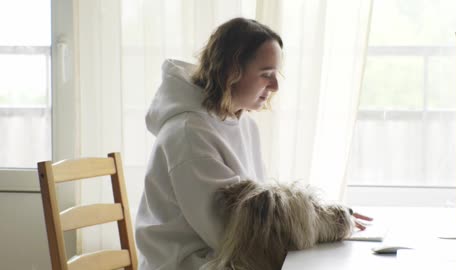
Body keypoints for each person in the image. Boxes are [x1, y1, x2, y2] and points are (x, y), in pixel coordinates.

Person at [135, 17, 370, 270]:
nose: (276, 85)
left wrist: (322, 217)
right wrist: (324, 222)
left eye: (276, 74)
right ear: (230, 71)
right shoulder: (188, 134)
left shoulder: (242, 123)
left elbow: (257, 209)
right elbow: (236, 233)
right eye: (266, 74)